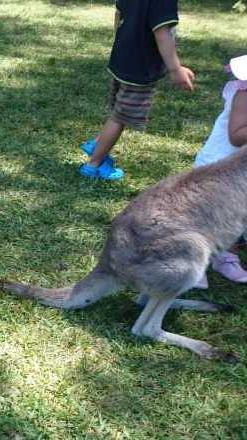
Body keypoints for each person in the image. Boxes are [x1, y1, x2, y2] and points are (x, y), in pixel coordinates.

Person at [79, 0, 195, 181]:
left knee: (118, 108)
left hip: (122, 58)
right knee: (121, 116)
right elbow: (162, 34)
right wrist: (176, 69)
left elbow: (119, 15)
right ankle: (94, 164)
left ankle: (97, 144)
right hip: (140, 67)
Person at [191, 54, 247, 287]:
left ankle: (225, 256)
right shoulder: (244, 94)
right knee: (210, 218)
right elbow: (236, 137)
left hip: (240, 169)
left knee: (239, 217)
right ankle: (197, 260)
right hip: (220, 168)